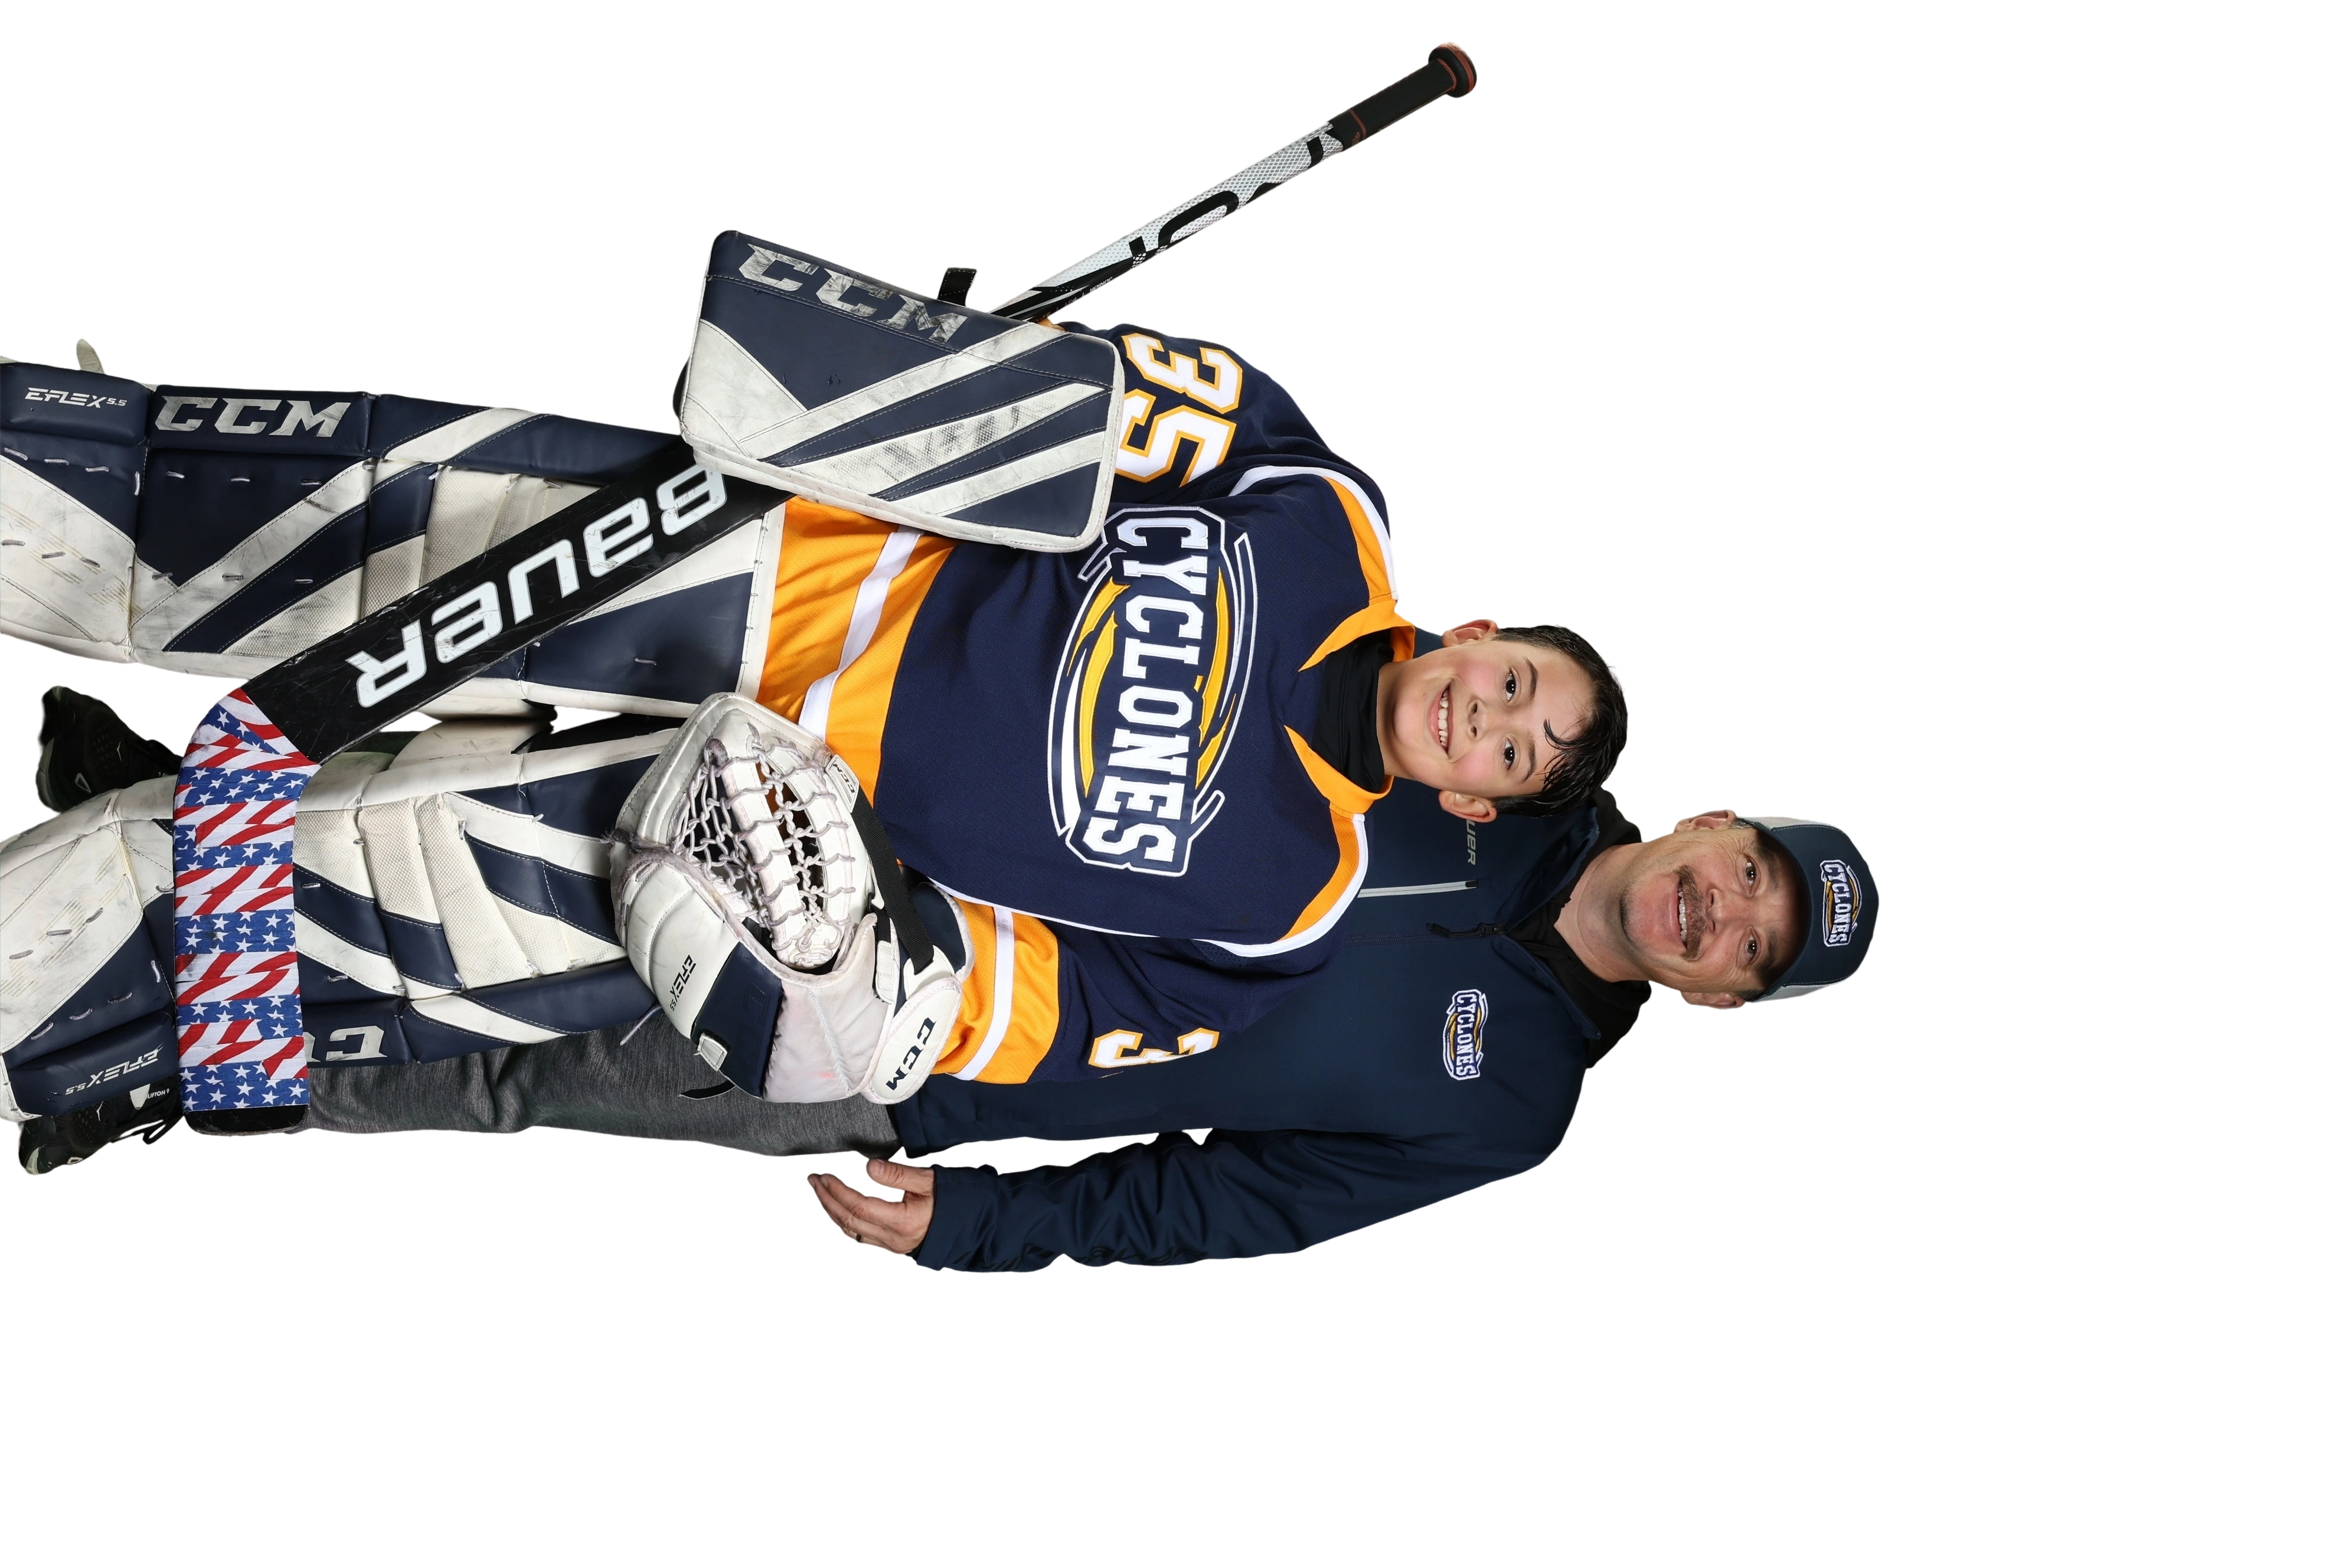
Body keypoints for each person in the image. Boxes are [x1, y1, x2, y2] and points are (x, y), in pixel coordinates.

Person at [1, 325, 1628, 1103]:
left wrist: (873, 979)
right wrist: (881, 378)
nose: (1489, 720)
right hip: (760, 570)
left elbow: (1035, 1009)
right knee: (216, 523)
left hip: (750, 837)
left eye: (1514, 754)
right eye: (1517, 685)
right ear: (1482, 630)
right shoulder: (1317, 508)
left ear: (1473, 805)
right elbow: (1086, 403)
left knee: (290, 923)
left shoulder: (1288, 912)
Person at [6, 702, 1880, 1273]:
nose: (1725, 915)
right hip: (894, 802)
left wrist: (985, 1223)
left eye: (1757, 950)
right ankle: (174, 814)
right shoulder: (1495, 747)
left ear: (1723, 1003)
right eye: (1752, 874)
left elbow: (1237, 1197)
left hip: (911, 1049)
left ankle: (173, 1062)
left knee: (530, 1067)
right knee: (545, 797)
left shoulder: (1514, 1110)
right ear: (1716, 820)